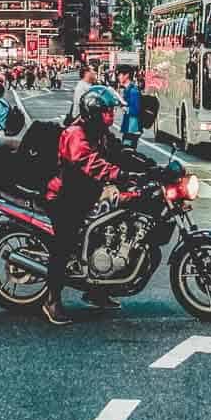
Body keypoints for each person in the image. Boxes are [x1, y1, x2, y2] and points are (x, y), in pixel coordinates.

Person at [42, 86, 153, 326]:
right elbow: (88, 162)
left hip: (88, 194)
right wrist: (119, 175)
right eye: (106, 112)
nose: (111, 116)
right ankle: (52, 299)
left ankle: (96, 290)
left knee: (109, 229)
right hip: (65, 196)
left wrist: (149, 166)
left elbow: (119, 152)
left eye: (112, 111)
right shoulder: (75, 133)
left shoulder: (101, 132)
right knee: (65, 243)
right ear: (93, 112)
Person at [118, 69, 142, 150]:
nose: (118, 77)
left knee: (128, 152)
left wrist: (125, 107)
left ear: (126, 75)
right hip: (129, 127)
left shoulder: (133, 91)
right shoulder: (127, 90)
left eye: (120, 75)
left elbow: (135, 110)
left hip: (132, 128)